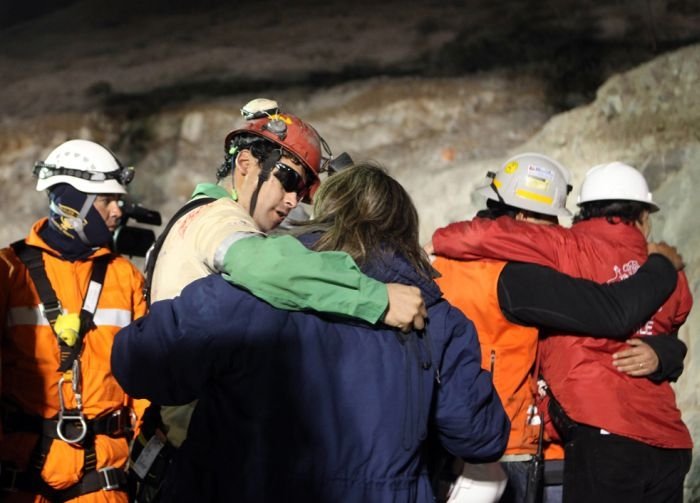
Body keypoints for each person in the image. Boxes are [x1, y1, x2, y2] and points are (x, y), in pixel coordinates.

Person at [111, 162, 511, 502]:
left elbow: (138, 362)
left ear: (326, 212)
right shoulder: (435, 317)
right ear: (405, 227)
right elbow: (480, 437)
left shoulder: (254, 292)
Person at [131, 101, 427, 500]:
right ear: (247, 163)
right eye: (288, 179)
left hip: (183, 450)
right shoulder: (220, 220)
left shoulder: (189, 217)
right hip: (201, 461)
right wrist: (376, 296)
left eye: (303, 191)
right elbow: (266, 266)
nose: (292, 200)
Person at [426, 153, 688, 503]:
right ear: (520, 219)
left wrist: (668, 353)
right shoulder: (519, 277)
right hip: (506, 446)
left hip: (455, 438)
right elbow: (613, 313)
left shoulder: (445, 266)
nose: (557, 229)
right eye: (551, 219)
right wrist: (661, 267)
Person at [0, 139, 148, 502]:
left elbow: (145, 380)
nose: (117, 211)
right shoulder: (8, 272)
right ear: (72, 204)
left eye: (118, 201)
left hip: (103, 485)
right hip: (21, 483)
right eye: (106, 201)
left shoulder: (125, 276)